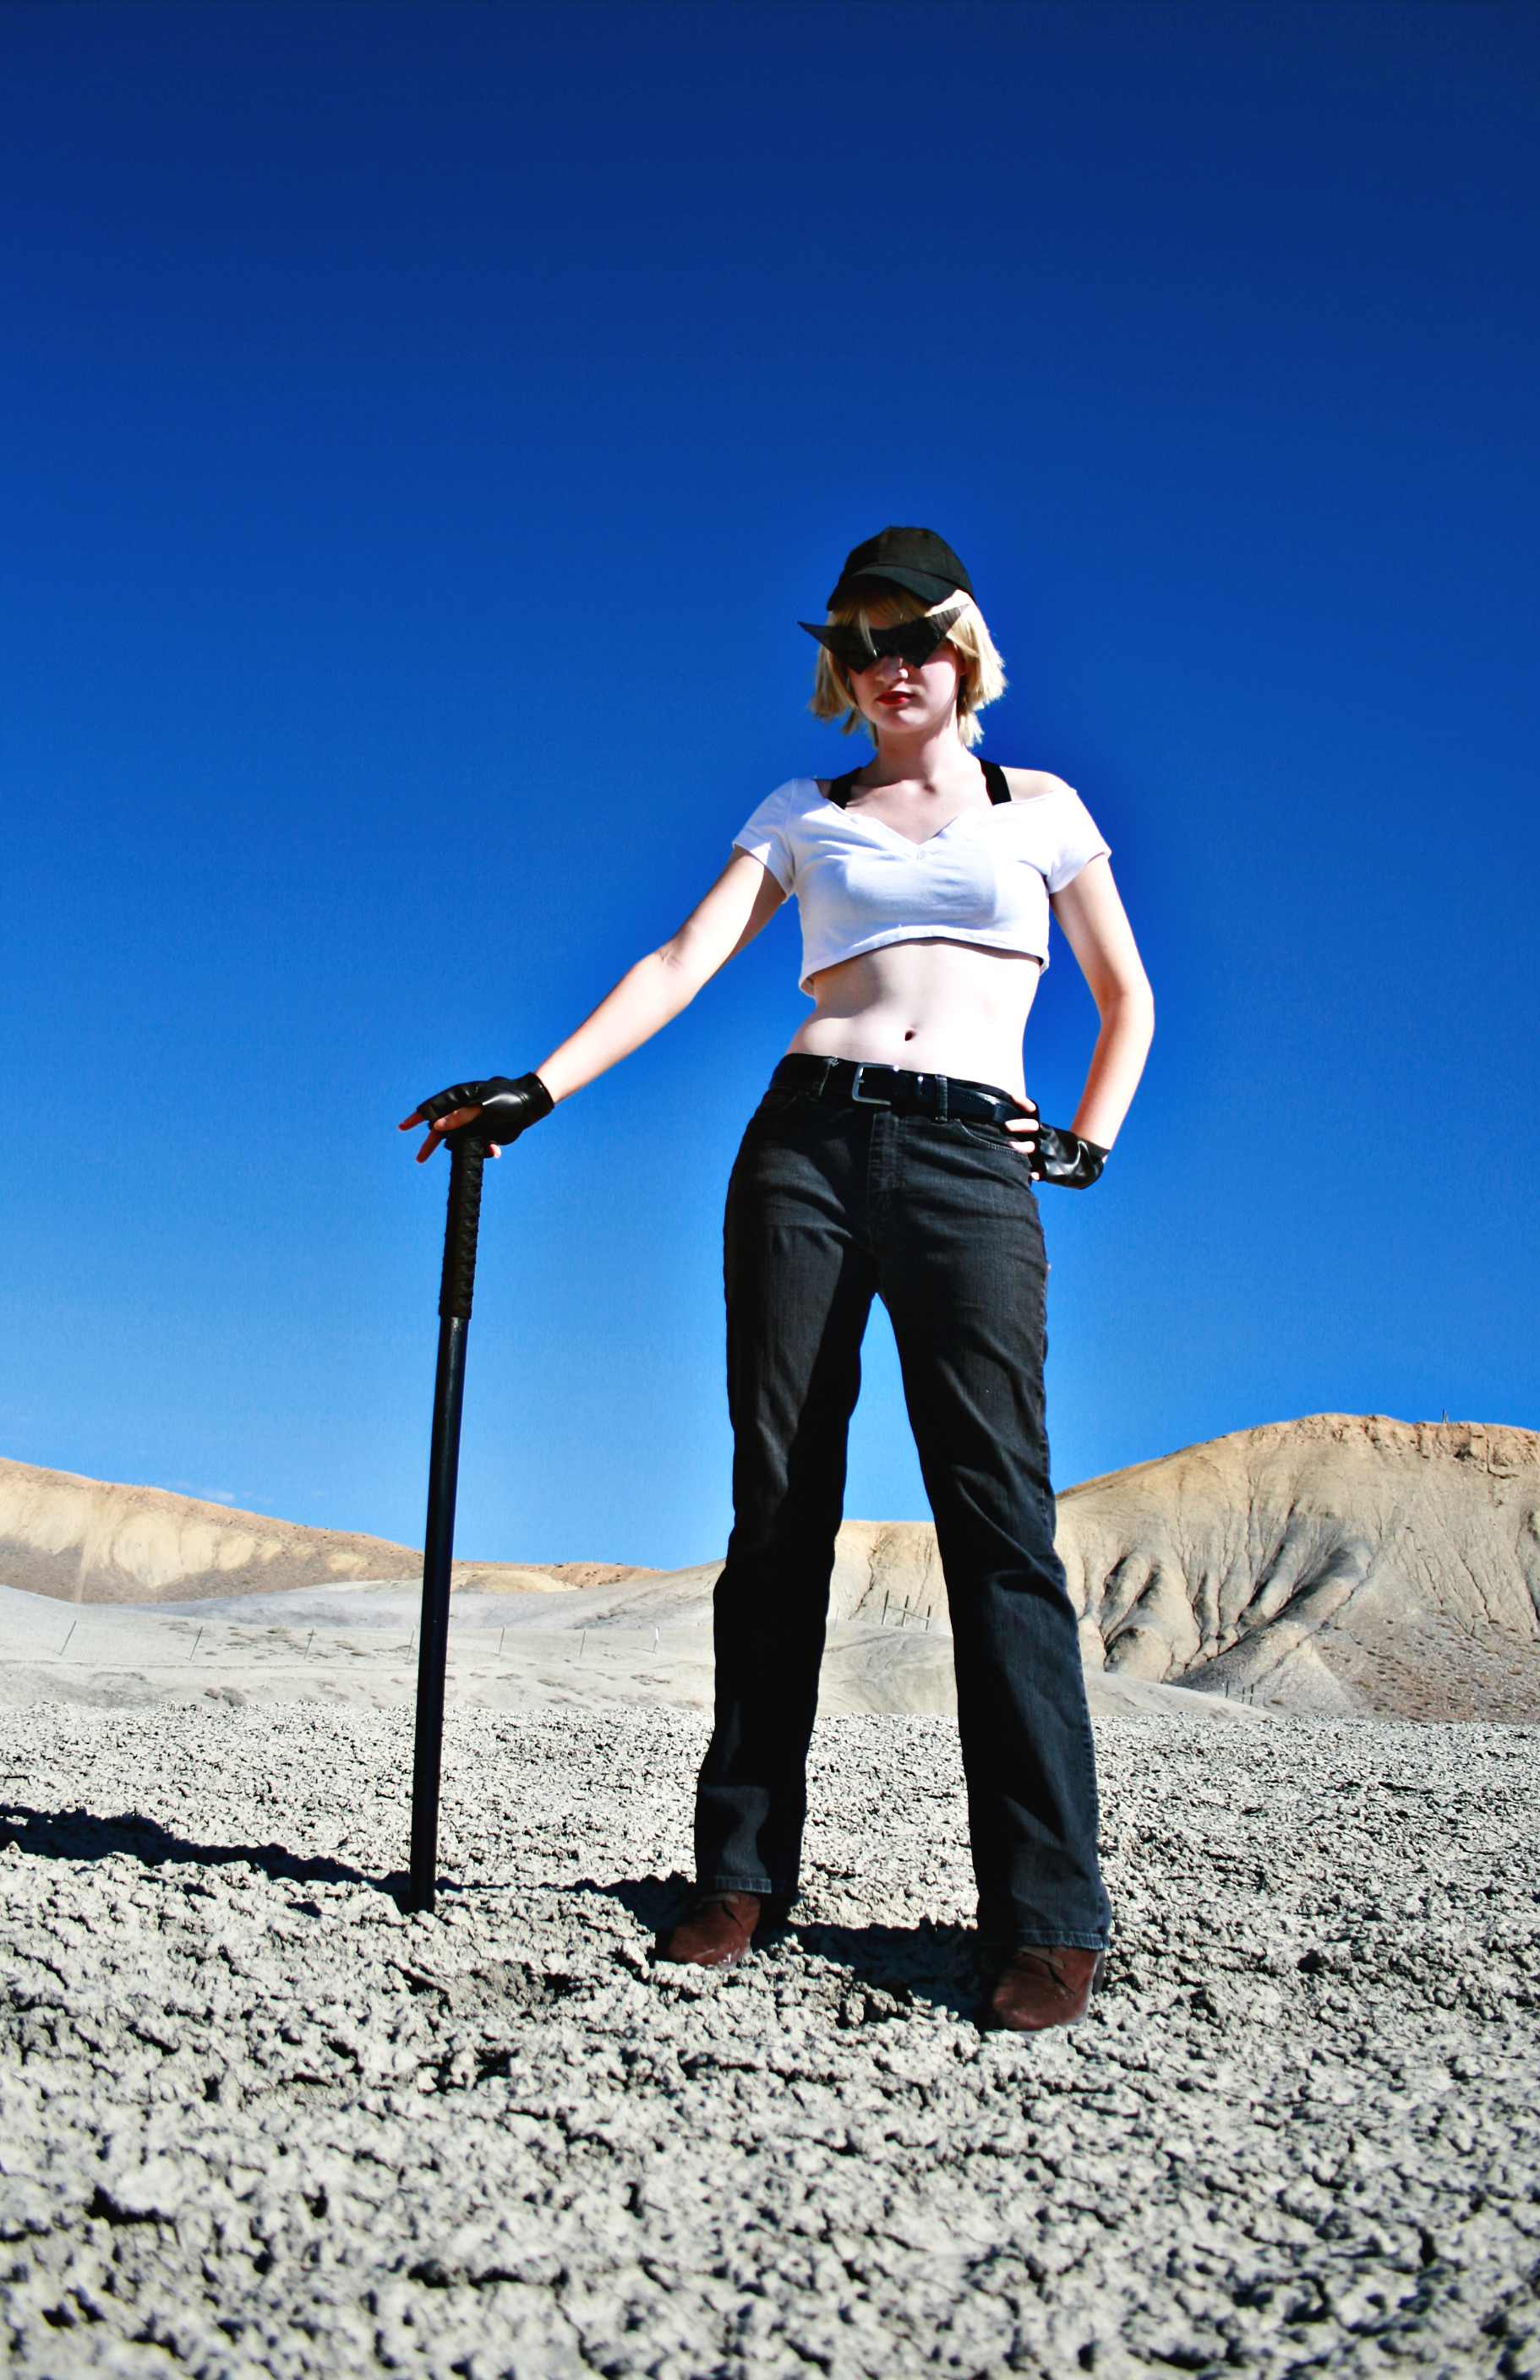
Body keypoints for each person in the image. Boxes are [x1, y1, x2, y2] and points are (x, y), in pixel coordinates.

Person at [400, 526, 1155, 2031]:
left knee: (999, 1522)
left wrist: (1087, 1141)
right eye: (860, 644)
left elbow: (1125, 992)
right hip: (804, 1147)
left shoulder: (1043, 809)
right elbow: (683, 959)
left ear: (963, 648)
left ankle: (1045, 1913)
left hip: (974, 1163)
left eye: (913, 637)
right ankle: (740, 1873)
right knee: (779, 1506)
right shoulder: (804, 812)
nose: (888, 666)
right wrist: (539, 1090)